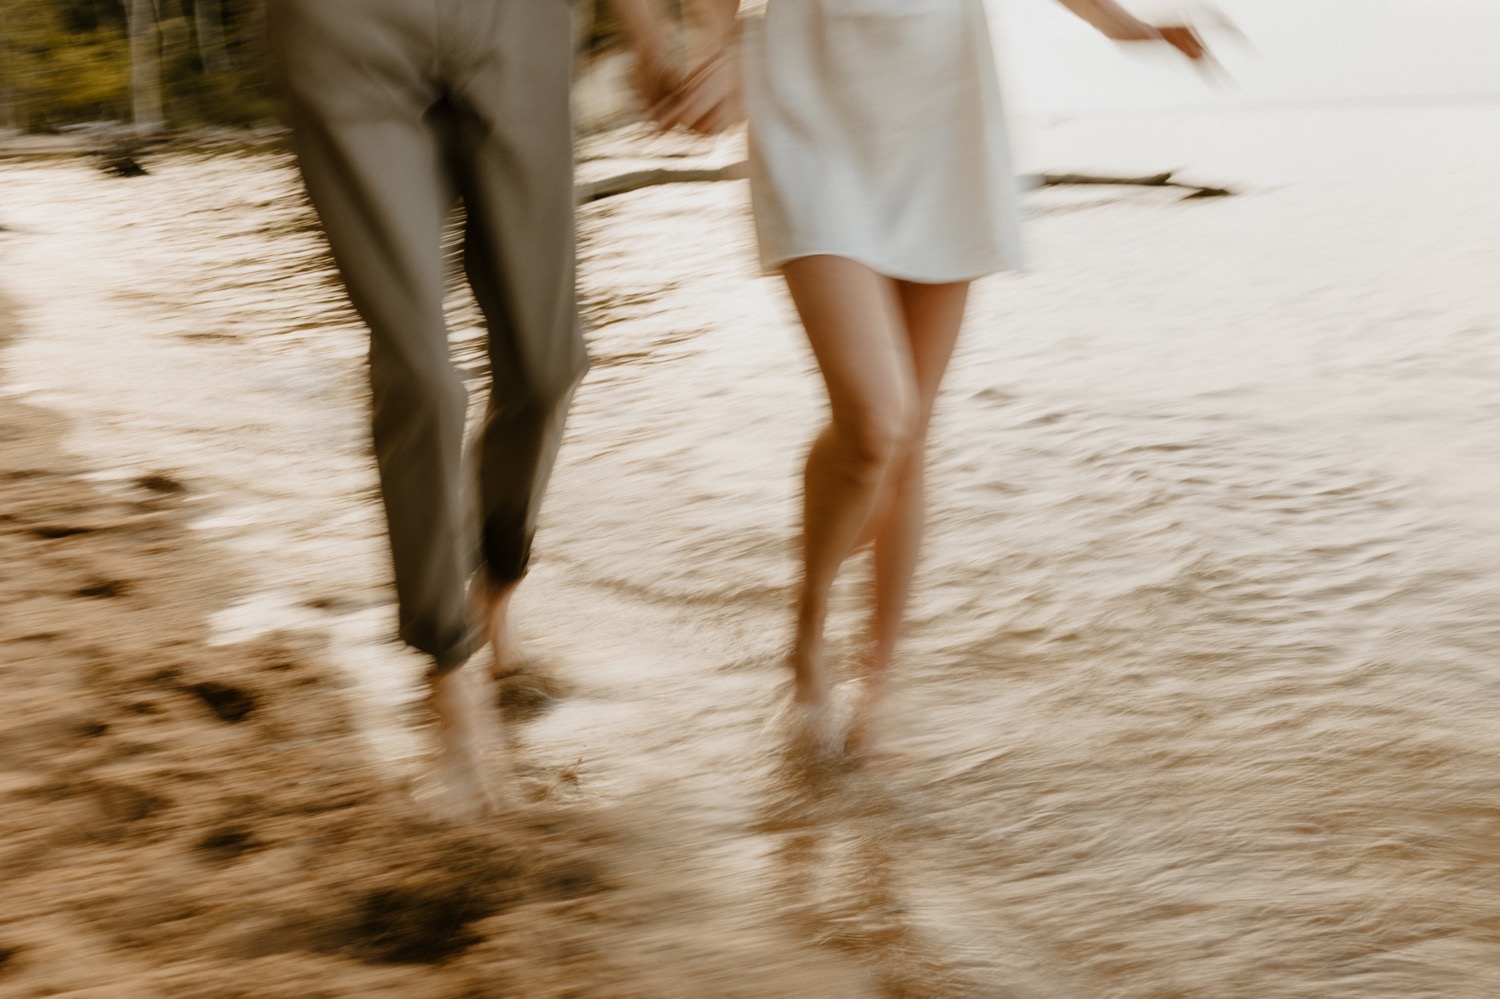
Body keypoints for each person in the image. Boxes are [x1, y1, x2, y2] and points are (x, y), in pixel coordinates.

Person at [659, 0, 1209, 755]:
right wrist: (716, 47)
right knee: (877, 420)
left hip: (941, 120)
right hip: (805, 103)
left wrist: (1130, 27)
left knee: (910, 437)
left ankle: (877, 683)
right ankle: (809, 627)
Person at [266, 0, 682, 817]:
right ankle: (451, 691)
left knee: (549, 361)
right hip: (345, 27)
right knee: (421, 372)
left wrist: (654, 32)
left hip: (516, 20)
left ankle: (494, 597)